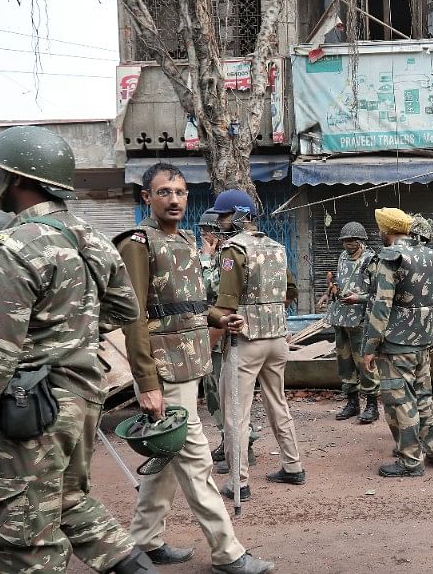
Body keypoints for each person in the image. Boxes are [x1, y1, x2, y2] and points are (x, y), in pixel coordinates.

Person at [0, 125, 158, 573]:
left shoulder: (11, 245)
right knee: (69, 502)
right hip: (83, 396)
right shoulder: (91, 236)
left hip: (31, 408)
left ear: (17, 178)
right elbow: (125, 308)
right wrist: (66, 337)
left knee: (23, 535)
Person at [115, 163, 272, 574]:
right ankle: (228, 553)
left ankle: (144, 541)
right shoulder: (137, 243)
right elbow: (133, 318)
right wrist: (146, 382)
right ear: (146, 197)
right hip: (163, 371)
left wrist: (220, 317)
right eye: (164, 192)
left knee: (166, 460)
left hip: (190, 362)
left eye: (180, 192)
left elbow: (188, 304)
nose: (174, 199)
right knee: (196, 460)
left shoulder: (184, 239)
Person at [209, 189, 305, 501]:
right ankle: (293, 467)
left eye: (223, 216)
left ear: (236, 216)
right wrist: (270, 309)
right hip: (277, 339)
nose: (220, 222)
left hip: (245, 341)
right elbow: (292, 289)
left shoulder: (233, 250)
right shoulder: (277, 248)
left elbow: (226, 303)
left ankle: (239, 482)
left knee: (236, 412)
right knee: (278, 402)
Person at [362, 207, 433, 477]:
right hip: (423, 339)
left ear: (386, 230)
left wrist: (369, 346)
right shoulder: (431, 255)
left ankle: (410, 460)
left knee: (401, 401)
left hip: (396, 343)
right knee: (423, 397)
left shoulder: (391, 256)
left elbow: (381, 305)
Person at [200, 210, 259, 471]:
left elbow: (205, 287)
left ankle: (242, 447)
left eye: (207, 231)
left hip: (222, 328)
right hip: (216, 326)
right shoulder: (227, 254)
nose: (204, 235)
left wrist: (205, 257)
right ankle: (230, 442)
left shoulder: (227, 256)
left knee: (225, 393)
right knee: (218, 392)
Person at [322, 221, 379, 424]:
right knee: (344, 363)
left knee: (364, 363)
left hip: (361, 321)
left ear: (361, 240)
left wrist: (359, 298)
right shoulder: (342, 258)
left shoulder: (371, 260)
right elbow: (339, 280)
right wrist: (332, 290)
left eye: (352, 240)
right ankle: (352, 402)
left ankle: (372, 405)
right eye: (345, 240)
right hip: (341, 318)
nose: (348, 244)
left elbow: (378, 292)